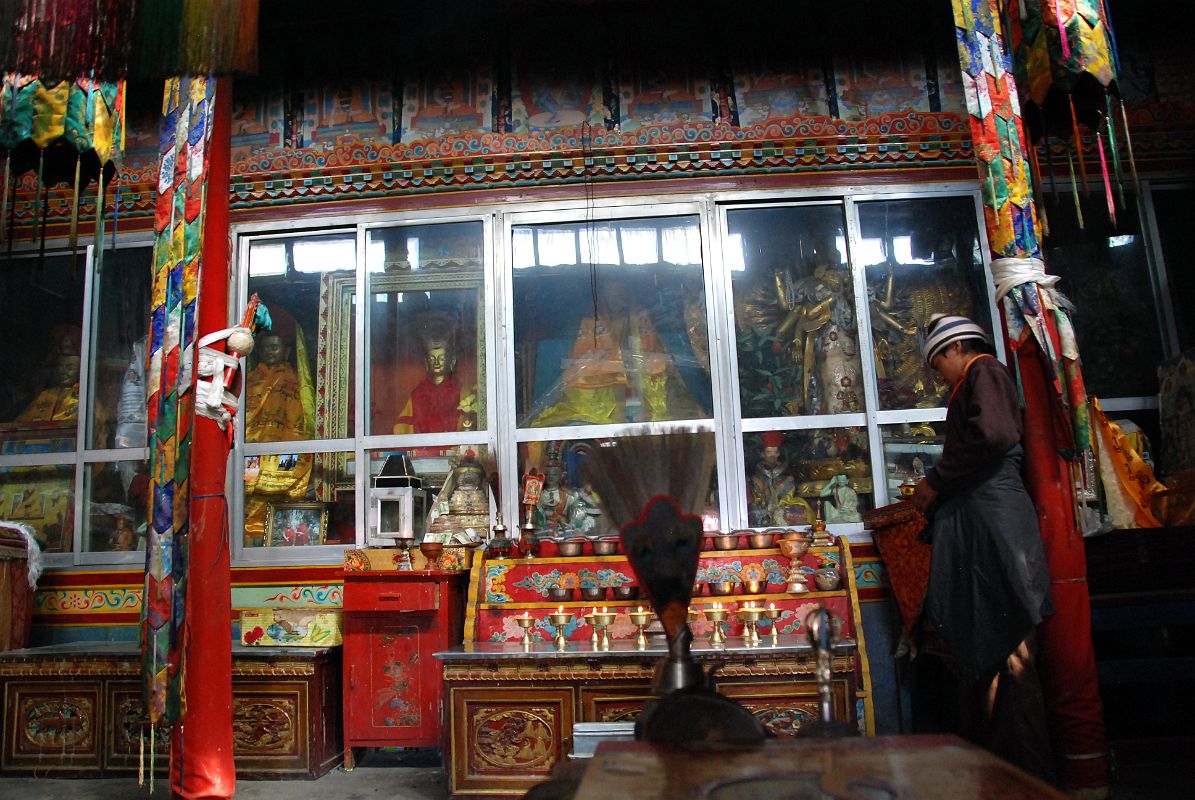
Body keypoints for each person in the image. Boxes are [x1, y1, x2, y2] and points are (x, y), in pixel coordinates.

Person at [909, 313, 1055, 783]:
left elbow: (993, 436)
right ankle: (1000, 772)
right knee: (991, 651)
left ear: (955, 350)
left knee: (1013, 654)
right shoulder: (977, 378)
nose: (939, 377)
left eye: (937, 365)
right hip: (984, 522)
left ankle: (1029, 778)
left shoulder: (985, 371)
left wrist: (936, 481)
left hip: (997, 526)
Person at [243, 322, 314, 546]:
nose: (270, 352)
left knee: (284, 484)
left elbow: (297, 416)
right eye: (266, 347)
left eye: (275, 347)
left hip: (287, 446)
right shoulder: (252, 378)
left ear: (286, 351)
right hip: (254, 447)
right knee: (249, 489)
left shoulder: (291, 379)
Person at [393, 318, 472, 435]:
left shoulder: (461, 391)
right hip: (423, 450)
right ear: (426, 363)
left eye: (441, 358)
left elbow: (467, 422)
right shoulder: (418, 394)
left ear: (452, 361)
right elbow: (403, 426)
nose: (436, 363)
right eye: (432, 359)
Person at [747, 430, 799, 527]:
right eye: (769, 452)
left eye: (775, 452)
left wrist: (783, 487)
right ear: (762, 454)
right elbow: (756, 496)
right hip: (762, 506)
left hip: (782, 506)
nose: (772, 455)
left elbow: (788, 495)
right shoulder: (756, 474)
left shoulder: (786, 474)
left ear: (779, 453)